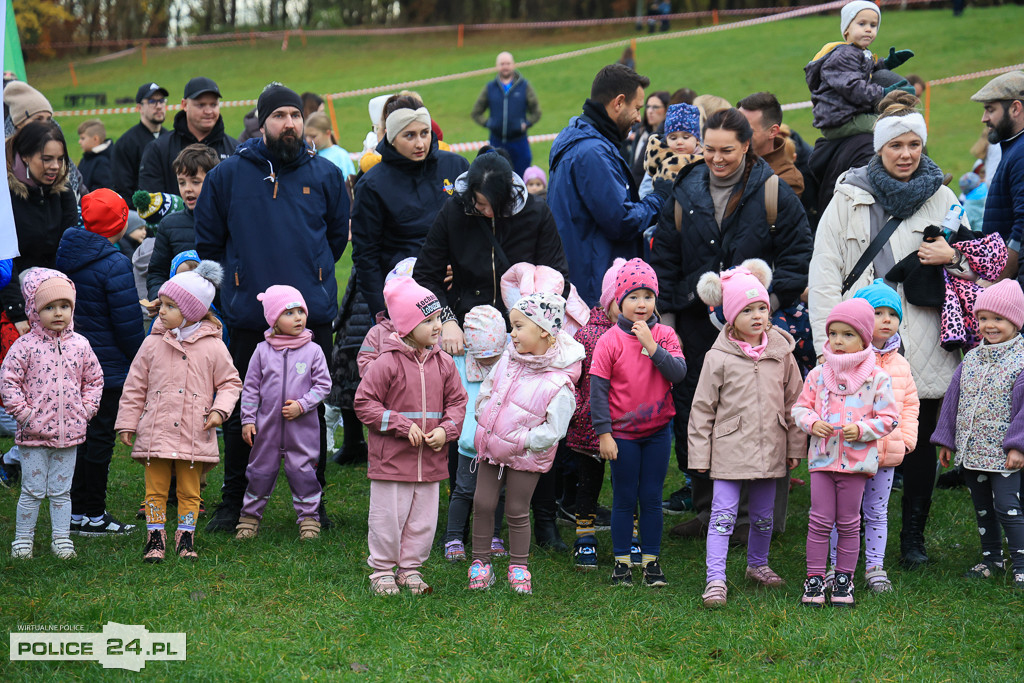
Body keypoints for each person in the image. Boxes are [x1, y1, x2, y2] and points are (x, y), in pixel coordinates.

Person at [808, 91, 972, 569]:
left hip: (925, 336)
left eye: (913, 144)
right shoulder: (848, 197)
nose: (906, 154)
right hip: (859, 344)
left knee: (915, 440)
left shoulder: (944, 198)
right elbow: (824, 275)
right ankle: (856, 533)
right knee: (859, 435)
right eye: (896, 145)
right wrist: (825, 347)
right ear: (879, 148)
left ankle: (912, 538)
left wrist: (953, 256)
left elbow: (976, 269)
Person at [649, 107, 812, 538]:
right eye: (710, 149)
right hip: (694, 326)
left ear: (746, 147)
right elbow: (665, 258)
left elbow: (798, 255)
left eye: (727, 151)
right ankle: (708, 510)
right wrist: (668, 321)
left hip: (755, 331)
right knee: (698, 410)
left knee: (755, 415)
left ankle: (755, 518)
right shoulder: (684, 189)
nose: (717, 159)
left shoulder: (773, 191)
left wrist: (763, 306)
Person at [195, 83, 349, 534]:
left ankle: (314, 504)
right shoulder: (227, 176)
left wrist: (313, 277)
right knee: (244, 406)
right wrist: (237, 283)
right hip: (249, 315)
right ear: (262, 123)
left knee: (310, 410)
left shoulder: (325, 175)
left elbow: (335, 239)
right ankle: (234, 502)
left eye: (295, 115)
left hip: (310, 316)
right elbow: (209, 242)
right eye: (279, 116)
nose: (290, 123)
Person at [689, 260, 804, 608]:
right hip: (729, 449)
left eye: (761, 308)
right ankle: (715, 578)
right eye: (746, 310)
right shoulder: (718, 357)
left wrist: (795, 446)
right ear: (730, 316)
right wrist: (699, 454)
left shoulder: (781, 353)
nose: (757, 316)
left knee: (764, 516)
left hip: (771, 446)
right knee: (723, 516)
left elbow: (795, 401)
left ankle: (758, 564)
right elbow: (702, 408)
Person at [115, 261, 242, 563]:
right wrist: (127, 422)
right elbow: (135, 385)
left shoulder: (213, 347)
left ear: (192, 311)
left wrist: (219, 411)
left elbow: (230, 382)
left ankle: (185, 536)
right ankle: (154, 537)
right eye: (161, 304)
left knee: (190, 490)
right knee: (155, 489)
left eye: (170, 306)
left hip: (194, 430)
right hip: (157, 431)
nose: (161, 311)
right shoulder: (152, 344)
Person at [354, 277, 467, 595]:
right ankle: (382, 570)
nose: (437, 326)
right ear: (405, 326)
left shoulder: (444, 363)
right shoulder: (386, 362)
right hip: (391, 462)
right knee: (388, 519)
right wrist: (401, 425)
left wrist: (446, 430)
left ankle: (410, 568)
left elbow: (458, 402)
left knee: (423, 521)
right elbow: (365, 404)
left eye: (438, 318)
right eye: (428, 321)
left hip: (430, 462)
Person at [470, 292, 584, 594]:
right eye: (512, 326)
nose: (512, 333)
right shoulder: (509, 358)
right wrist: (484, 412)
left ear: (543, 330)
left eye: (519, 326)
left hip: (526, 454)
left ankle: (519, 567)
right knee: (482, 503)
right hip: (492, 446)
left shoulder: (560, 380)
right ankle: (480, 563)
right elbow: (489, 388)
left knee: (517, 510)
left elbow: (555, 429)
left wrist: (523, 441)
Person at [793, 298, 899, 607]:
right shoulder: (818, 375)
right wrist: (813, 423)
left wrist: (863, 429)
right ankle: (814, 579)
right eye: (833, 333)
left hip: (856, 465)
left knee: (850, 522)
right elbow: (799, 409)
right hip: (822, 462)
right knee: (819, 521)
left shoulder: (876, 377)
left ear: (864, 339)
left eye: (848, 334)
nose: (838, 341)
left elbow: (890, 418)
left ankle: (844, 580)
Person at [590, 259, 687, 587]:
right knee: (624, 498)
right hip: (623, 435)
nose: (641, 303)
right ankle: (621, 562)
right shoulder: (609, 341)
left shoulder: (665, 334)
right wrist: (604, 434)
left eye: (648, 296)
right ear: (619, 301)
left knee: (651, 497)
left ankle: (650, 561)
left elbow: (678, 373)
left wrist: (652, 346)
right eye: (633, 297)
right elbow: (598, 391)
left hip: (657, 433)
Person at [55, 189, 144, 537]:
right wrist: (141, 358)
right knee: (100, 439)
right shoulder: (116, 263)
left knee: (78, 438)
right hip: (106, 369)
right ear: (119, 225)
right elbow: (126, 325)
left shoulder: (66, 252)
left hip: (71, 364)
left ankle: (75, 511)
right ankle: (93, 514)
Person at [822, 279, 919, 593]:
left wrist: (906, 438)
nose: (887, 320)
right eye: (878, 313)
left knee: (877, 511)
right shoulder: (844, 361)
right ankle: (836, 565)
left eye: (893, 314)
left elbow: (909, 403)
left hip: (885, 453)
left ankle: (875, 567)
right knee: (843, 512)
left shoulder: (901, 364)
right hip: (849, 452)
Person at [415, 152, 568, 349]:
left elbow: (558, 278)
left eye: (497, 206)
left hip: (525, 335)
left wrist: (532, 326)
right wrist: (446, 320)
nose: (489, 212)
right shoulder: (453, 211)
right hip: (465, 328)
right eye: (480, 204)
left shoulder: (536, 212)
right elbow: (425, 276)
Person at [548, 64, 671, 306]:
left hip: (585, 278)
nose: (639, 117)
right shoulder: (592, 152)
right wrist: (659, 197)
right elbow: (621, 221)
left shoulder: (581, 140)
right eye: (637, 108)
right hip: (596, 290)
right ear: (619, 102)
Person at [2, 268, 104, 559]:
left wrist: (86, 410)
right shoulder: (25, 346)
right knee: (33, 490)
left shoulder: (80, 345)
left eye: (64, 306)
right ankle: (23, 540)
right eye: (49, 307)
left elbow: (94, 379)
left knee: (61, 491)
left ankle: (61, 539)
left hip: (69, 433)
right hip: (33, 434)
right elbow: (9, 381)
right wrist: (24, 415)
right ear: (34, 310)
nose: (58, 313)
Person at [932, 279, 1024, 591]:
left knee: (1007, 507)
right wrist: (946, 439)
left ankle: (1021, 565)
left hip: (1005, 453)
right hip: (973, 450)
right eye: (983, 318)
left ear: (1015, 321)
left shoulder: (1020, 360)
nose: (989, 325)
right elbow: (953, 400)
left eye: (998, 318)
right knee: (983, 507)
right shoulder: (971, 358)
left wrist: (1018, 446)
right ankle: (992, 559)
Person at [351, 95, 468, 318]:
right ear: (392, 137)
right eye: (409, 135)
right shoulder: (372, 185)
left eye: (424, 133)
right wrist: (382, 313)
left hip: (460, 292)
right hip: (405, 301)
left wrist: (464, 265)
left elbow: (476, 226)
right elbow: (366, 256)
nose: (420, 143)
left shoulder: (456, 166)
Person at [235, 286, 332, 541]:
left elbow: (323, 385)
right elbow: (250, 388)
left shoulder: (313, 351)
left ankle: (309, 517)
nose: (298, 317)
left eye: (301, 311)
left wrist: (303, 404)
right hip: (266, 430)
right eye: (289, 313)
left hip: (302, 431)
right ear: (274, 320)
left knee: (303, 473)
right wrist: (247, 419)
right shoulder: (262, 351)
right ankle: (249, 517)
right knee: (259, 472)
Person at [566, 258, 623, 570]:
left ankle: (628, 536)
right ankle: (585, 538)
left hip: (627, 427)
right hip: (590, 426)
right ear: (609, 300)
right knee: (588, 484)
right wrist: (578, 408)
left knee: (626, 484)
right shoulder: (587, 335)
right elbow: (571, 377)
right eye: (622, 299)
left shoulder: (641, 335)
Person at [442, 305, 507, 562]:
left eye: (493, 356)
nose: (488, 362)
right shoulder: (460, 363)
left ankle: (494, 536)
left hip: (500, 443)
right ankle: (454, 536)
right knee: (463, 490)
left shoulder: (509, 360)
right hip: (470, 443)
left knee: (499, 492)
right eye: (482, 357)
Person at [3, 121, 79, 337]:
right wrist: (16, 312)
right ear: (26, 156)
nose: (55, 166)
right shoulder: (5, 195)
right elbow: (4, 258)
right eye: (46, 159)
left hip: (53, 302)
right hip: (13, 304)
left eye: (60, 159)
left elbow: (69, 248)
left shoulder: (62, 190)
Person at [804, 1, 914, 140]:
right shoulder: (843, 56)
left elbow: (865, 72)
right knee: (889, 125)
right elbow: (852, 86)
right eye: (862, 24)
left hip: (848, 114)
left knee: (891, 123)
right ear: (846, 29)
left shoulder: (859, 53)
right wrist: (883, 93)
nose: (868, 29)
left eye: (873, 25)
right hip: (839, 119)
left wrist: (886, 64)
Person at [138, 76, 238, 195]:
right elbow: (152, 199)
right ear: (184, 105)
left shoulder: (235, 150)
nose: (208, 111)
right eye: (201, 105)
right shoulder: (158, 149)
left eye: (213, 104)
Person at [145, 144, 220, 301]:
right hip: (181, 310)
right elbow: (157, 272)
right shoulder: (169, 224)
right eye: (182, 182)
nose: (187, 189)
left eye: (195, 182)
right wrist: (159, 298)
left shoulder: (227, 220)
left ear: (214, 181)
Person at [971, 71, 1024, 279]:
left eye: (990, 109)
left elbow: (1021, 228)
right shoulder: (1014, 148)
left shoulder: (1021, 152)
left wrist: (998, 282)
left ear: (1015, 108)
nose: (984, 118)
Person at [470, 52, 542, 177]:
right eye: (502, 64)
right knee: (496, 178)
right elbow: (476, 112)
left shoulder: (524, 86)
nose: (505, 67)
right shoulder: (490, 88)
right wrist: (489, 123)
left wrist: (526, 124)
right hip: (496, 142)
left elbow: (536, 112)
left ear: (513, 65)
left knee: (522, 177)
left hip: (519, 143)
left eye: (508, 63)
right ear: (497, 66)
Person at [110, 83, 170, 202]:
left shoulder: (171, 139)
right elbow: (123, 188)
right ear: (139, 108)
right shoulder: (126, 144)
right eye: (152, 101)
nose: (159, 106)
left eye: (161, 101)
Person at [737, 92, 805, 198]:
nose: (737, 135)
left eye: (747, 129)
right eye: (735, 127)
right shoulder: (726, 157)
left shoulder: (787, 179)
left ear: (773, 131)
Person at [638, 101, 702, 199]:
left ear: (697, 140)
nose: (679, 142)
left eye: (686, 137)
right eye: (673, 138)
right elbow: (645, 193)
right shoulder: (658, 160)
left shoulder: (705, 161)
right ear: (666, 139)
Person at [626, 90, 670, 186]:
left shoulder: (669, 139)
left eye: (655, 107)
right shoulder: (641, 132)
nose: (650, 111)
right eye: (648, 107)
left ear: (666, 110)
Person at [305, 112, 356, 179]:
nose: (308, 140)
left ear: (328, 133)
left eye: (313, 136)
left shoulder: (341, 156)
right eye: (306, 136)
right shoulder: (308, 155)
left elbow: (349, 182)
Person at [77, 119, 113, 191]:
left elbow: (102, 189)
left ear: (95, 139)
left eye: (83, 138)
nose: (79, 142)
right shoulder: (86, 158)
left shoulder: (102, 162)